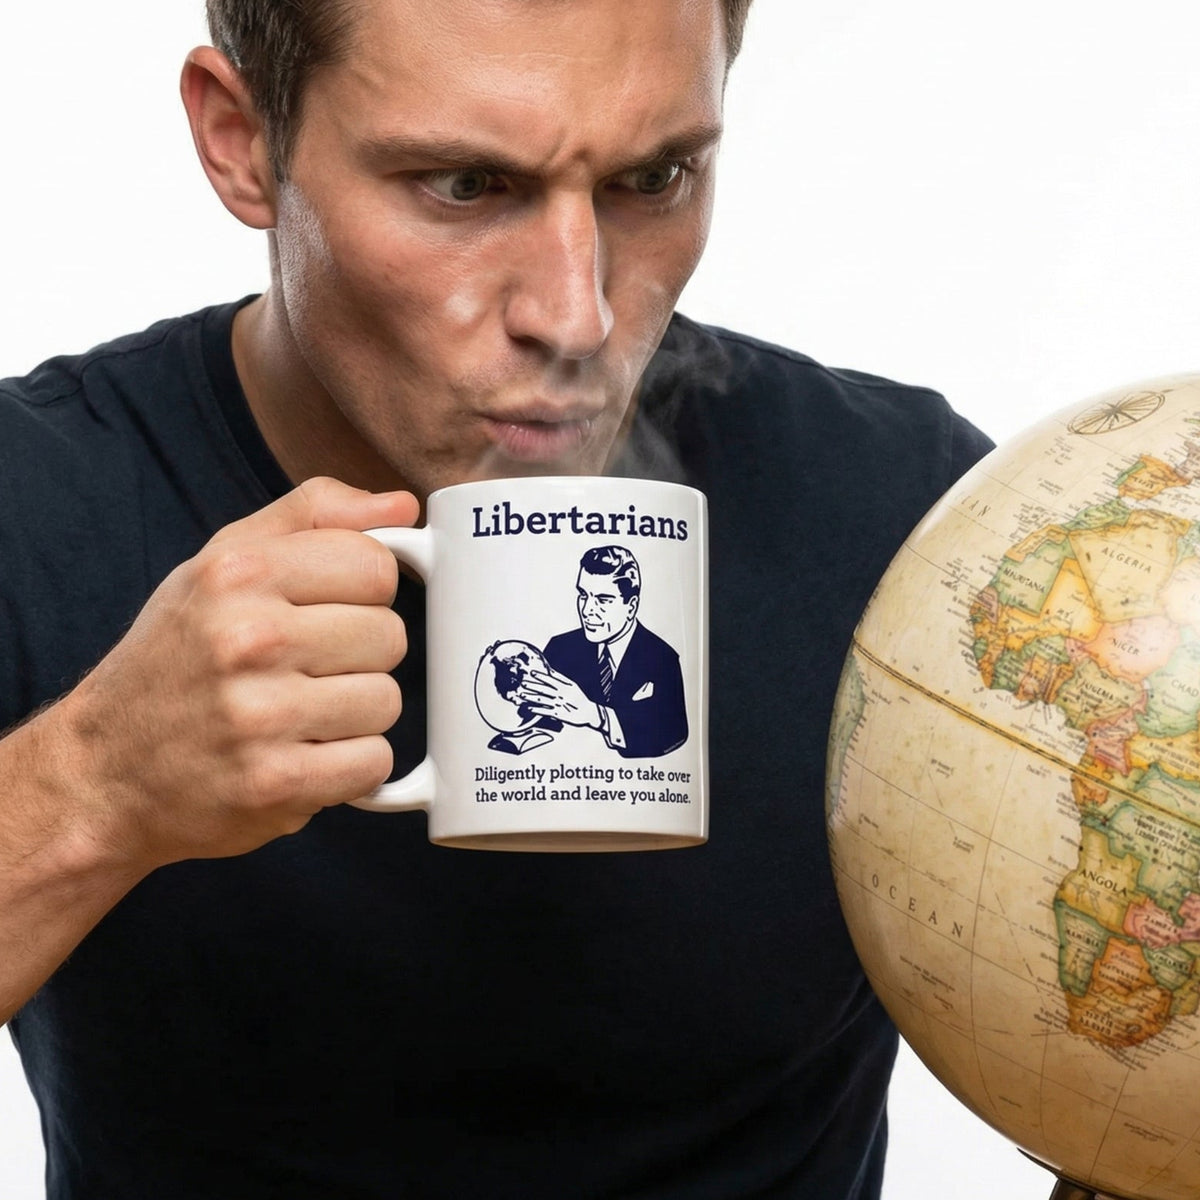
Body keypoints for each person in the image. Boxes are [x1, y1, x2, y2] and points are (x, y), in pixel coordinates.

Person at [0, 1, 992, 1197]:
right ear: (242, 139)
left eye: (652, 179)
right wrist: (93, 785)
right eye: (467, 186)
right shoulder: (34, 504)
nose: (576, 318)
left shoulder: (920, 517)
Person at [521, 545, 690, 758]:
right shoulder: (560, 647)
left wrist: (595, 715)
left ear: (631, 606)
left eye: (602, 600)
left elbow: (672, 733)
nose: (587, 610)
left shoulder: (662, 658)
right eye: (583, 595)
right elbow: (536, 715)